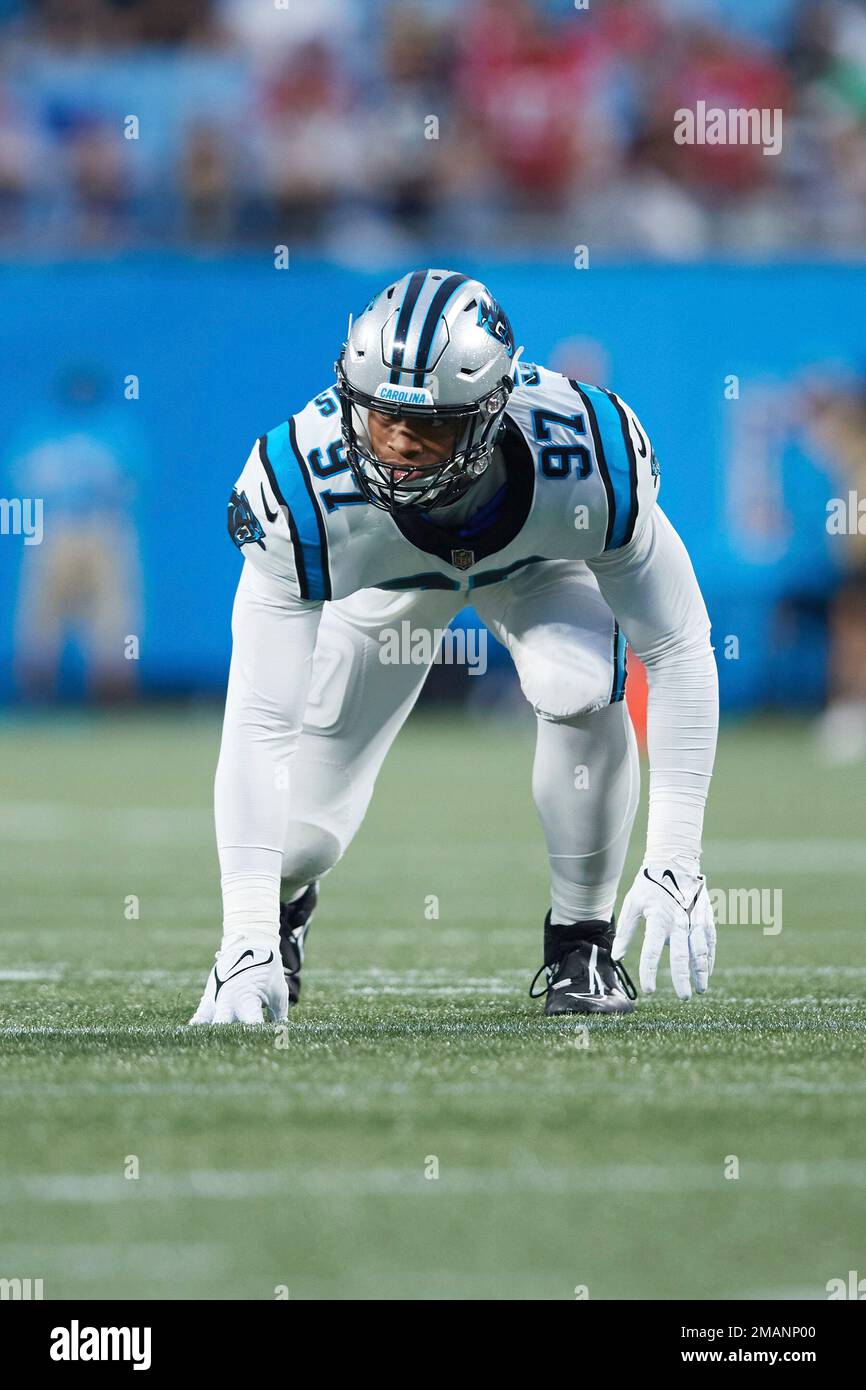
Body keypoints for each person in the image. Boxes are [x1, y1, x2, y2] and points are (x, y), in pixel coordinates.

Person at [191, 269, 718, 1025]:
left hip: (537, 567)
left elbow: (677, 648)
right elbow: (257, 724)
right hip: (381, 583)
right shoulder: (300, 486)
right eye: (380, 419)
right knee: (298, 838)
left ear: (491, 413)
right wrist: (241, 936)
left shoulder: (588, 453)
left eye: (429, 426)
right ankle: (277, 924)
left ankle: (581, 942)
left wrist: (676, 854)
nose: (400, 446)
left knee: (577, 680)